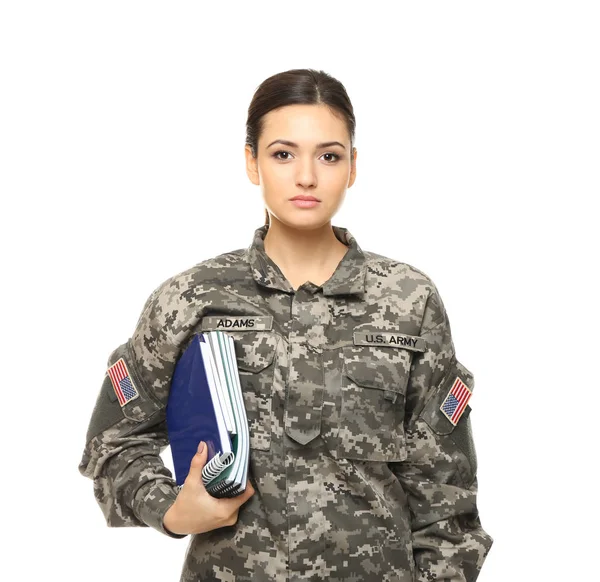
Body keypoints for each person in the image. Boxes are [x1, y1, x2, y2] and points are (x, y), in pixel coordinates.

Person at [78, 68, 493, 582]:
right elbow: (112, 445)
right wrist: (169, 508)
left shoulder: (409, 299)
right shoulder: (190, 298)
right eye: (282, 153)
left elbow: (446, 497)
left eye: (329, 155)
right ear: (252, 162)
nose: (306, 177)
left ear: (353, 166)